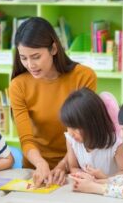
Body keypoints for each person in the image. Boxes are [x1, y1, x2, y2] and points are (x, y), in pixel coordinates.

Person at [9, 17, 97, 188]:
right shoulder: (18, 85)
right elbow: (26, 139)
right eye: (23, 58)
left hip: (77, 166)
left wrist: (63, 165)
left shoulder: (84, 77)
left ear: (54, 49)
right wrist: (41, 164)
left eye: (36, 57)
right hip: (35, 168)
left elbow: (84, 132)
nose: (30, 65)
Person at [60, 87, 123, 178]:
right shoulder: (71, 140)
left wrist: (104, 178)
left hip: (108, 188)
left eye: (75, 128)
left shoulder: (114, 142)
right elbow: (73, 167)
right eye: (68, 126)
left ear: (93, 125)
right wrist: (84, 175)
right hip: (87, 188)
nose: (71, 133)